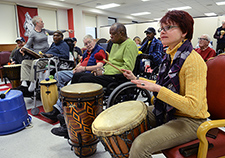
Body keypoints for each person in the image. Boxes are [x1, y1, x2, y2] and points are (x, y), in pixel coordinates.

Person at [121, 10, 209, 158]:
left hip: (191, 121)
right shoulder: (170, 55)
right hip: (171, 111)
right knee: (129, 116)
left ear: (184, 32)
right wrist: (136, 78)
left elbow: (193, 107)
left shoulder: (193, 61)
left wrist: (158, 89)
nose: (162, 32)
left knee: (141, 144)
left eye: (169, 27)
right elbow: (164, 84)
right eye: (162, 28)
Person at [40, 34, 107, 122]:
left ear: (94, 41)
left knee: (69, 85)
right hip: (79, 71)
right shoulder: (87, 52)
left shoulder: (99, 51)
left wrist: (83, 68)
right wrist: (76, 68)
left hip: (87, 73)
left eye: (89, 42)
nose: (88, 45)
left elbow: (99, 66)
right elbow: (81, 62)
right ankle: (64, 102)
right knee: (58, 75)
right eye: (86, 44)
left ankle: (57, 109)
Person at [18, 31, 70, 96]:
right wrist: (43, 54)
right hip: (45, 58)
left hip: (53, 61)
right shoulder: (53, 44)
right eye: (54, 36)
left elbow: (65, 56)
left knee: (35, 62)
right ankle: (24, 83)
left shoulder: (64, 45)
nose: (55, 37)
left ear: (62, 37)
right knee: (25, 62)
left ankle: (33, 82)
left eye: (57, 36)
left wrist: (52, 55)